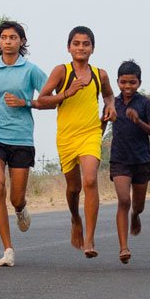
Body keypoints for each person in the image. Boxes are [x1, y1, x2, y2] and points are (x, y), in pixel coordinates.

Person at [36, 26, 116, 259]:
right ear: (68, 47)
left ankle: (90, 239)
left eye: (86, 44)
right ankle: (75, 218)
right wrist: (66, 93)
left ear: (93, 48)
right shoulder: (62, 71)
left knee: (90, 179)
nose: (81, 47)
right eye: (76, 43)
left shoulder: (100, 74)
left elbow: (109, 95)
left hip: (91, 133)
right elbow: (42, 101)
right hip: (67, 137)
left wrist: (110, 106)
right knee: (73, 188)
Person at [0, 20, 49, 267]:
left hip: (21, 138)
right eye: (4, 37)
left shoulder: (31, 71)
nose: (8, 41)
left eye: (13, 38)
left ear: (22, 42)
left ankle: (21, 208)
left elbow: (50, 98)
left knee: (16, 197)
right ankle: (8, 249)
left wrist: (26, 103)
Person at [108, 59, 150, 264]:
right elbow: (101, 127)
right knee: (123, 200)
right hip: (119, 159)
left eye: (132, 83)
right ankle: (123, 247)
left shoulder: (145, 103)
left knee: (137, 205)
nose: (127, 87)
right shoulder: (112, 103)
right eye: (123, 82)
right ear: (117, 81)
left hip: (141, 160)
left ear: (139, 82)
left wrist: (139, 121)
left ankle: (136, 216)